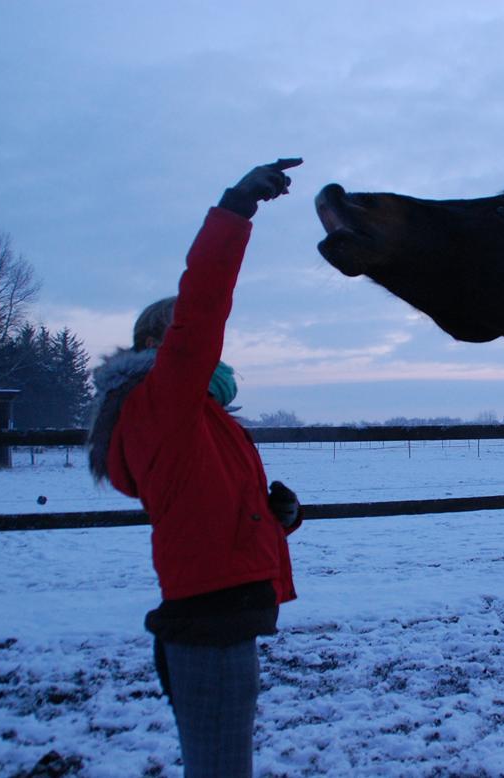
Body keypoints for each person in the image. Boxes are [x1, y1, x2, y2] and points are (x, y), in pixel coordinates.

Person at [87, 158, 305, 777]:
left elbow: (212, 515)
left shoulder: (196, 419)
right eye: (193, 341)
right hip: (209, 622)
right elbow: (204, 302)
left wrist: (277, 519)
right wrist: (235, 209)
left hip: (219, 613)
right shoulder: (165, 401)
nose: (216, 356)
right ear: (164, 344)